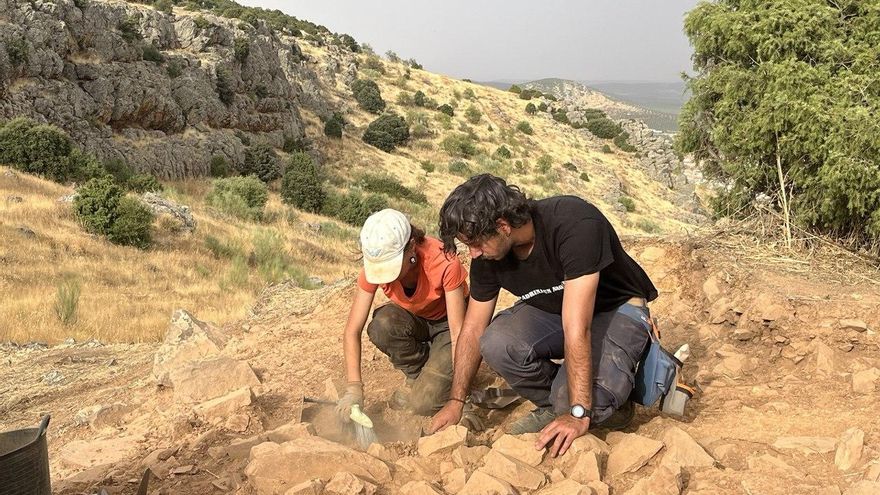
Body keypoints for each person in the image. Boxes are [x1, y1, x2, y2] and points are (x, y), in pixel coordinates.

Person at [429, 174, 658, 457]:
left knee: (583, 403)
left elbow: (577, 327)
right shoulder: (488, 255)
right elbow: (474, 327)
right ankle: (555, 406)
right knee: (497, 341)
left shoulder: (574, 223)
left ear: (502, 226)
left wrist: (577, 411)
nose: (473, 254)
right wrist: (455, 400)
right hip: (556, 311)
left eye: (476, 243)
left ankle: (600, 406)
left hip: (616, 309)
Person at [336, 208, 469, 422]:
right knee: (382, 325)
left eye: (392, 267)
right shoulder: (375, 267)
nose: (386, 277)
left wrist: (459, 395)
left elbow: (459, 333)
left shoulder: (443, 262)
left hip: (448, 324)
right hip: (416, 319)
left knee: (423, 403)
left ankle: (437, 376)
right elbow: (352, 330)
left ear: (412, 248)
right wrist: (354, 389)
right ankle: (419, 375)